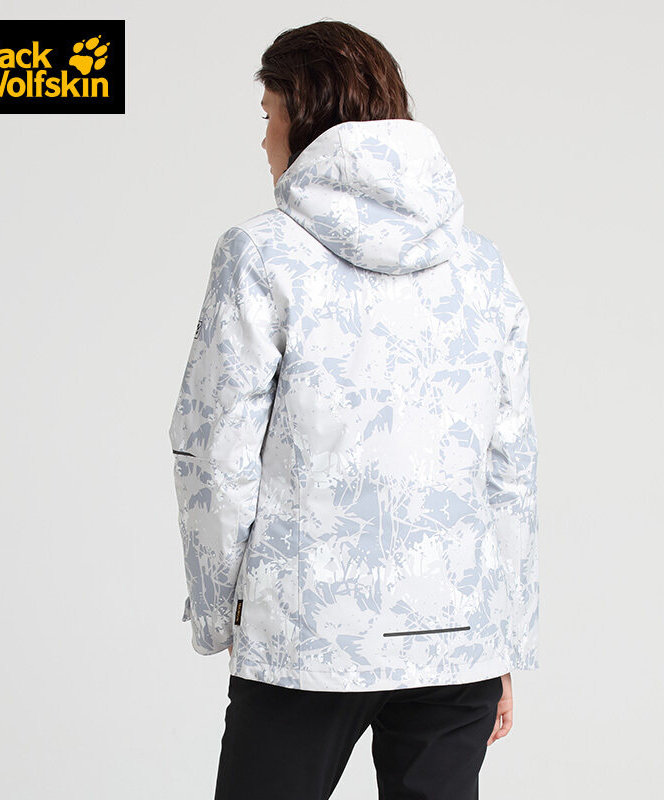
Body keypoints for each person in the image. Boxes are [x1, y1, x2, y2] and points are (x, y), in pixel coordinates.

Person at [168, 19, 539, 800]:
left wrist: (223, 614)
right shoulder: (480, 265)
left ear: (305, 116)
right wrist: (500, 635)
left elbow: (215, 453)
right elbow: (509, 466)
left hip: (309, 634)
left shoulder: (259, 253)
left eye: (269, 114)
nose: (263, 138)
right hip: (455, 636)